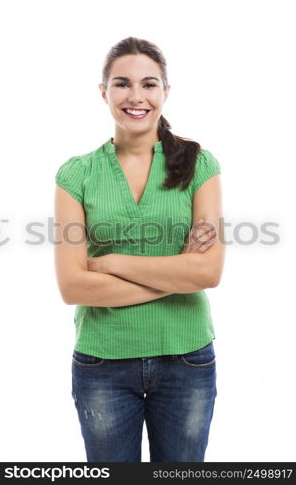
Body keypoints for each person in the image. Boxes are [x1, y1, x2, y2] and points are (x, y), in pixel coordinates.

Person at [54, 36, 225, 462]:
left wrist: (112, 263)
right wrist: (177, 273)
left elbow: (208, 274)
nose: (136, 96)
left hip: (186, 360)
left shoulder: (200, 164)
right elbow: (74, 286)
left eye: (149, 84)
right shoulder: (76, 174)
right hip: (103, 364)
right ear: (103, 91)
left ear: (165, 91)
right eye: (121, 84)